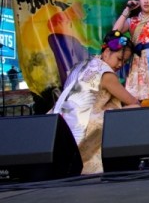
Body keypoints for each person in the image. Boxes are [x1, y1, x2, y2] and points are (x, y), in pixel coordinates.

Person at [51, 31, 140, 174]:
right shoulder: (106, 74)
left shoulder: (83, 64)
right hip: (82, 125)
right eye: (119, 59)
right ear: (107, 52)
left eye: (124, 62)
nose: (120, 65)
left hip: (58, 122)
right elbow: (132, 101)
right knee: (135, 108)